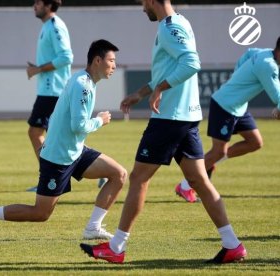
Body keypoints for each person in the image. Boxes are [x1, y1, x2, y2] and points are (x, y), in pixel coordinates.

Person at [80, 0, 246, 264]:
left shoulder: (170, 28)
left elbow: (192, 63)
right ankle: (232, 244)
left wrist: (160, 90)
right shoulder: (178, 23)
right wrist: (142, 92)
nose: (141, 6)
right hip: (185, 117)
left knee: (138, 178)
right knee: (199, 182)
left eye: (142, 1)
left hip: (170, 118)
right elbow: (169, 69)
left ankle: (117, 246)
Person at [0, 39, 126, 243]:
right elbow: (78, 126)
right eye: (111, 60)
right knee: (40, 213)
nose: (114, 65)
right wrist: (99, 120)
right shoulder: (83, 85)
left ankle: (93, 227)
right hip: (57, 157)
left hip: (76, 152)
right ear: (97, 60)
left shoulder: (85, 81)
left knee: (118, 174)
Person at [175, 37, 280, 203]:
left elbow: (248, 52)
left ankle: (213, 160)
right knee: (218, 152)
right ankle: (185, 185)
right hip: (225, 106)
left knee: (255, 142)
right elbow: (277, 96)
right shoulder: (269, 66)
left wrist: (238, 77)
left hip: (239, 107)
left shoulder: (264, 53)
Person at [25, 0, 73, 192]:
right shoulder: (48, 25)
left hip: (53, 90)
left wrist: (38, 69)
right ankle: (103, 172)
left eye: (37, 2)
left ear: (48, 5)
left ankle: (48, 179)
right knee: (63, 137)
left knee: (36, 132)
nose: (34, 6)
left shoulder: (55, 26)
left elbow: (66, 57)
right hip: (50, 90)